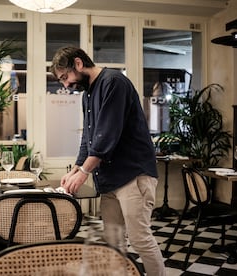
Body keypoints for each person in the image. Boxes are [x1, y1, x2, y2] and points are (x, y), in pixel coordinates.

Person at [51, 46, 165, 276]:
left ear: (78, 63)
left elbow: (107, 135)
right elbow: (89, 137)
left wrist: (83, 173)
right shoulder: (88, 94)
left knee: (139, 239)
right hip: (110, 180)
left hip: (133, 175)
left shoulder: (114, 82)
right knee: (114, 242)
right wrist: (74, 170)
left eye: (66, 77)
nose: (66, 85)